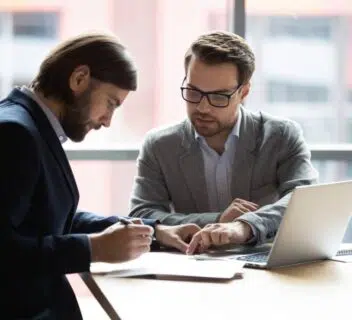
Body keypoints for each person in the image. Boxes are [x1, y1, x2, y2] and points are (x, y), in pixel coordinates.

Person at [0, 33, 200, 319]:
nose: (107, 121)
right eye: (111, 103)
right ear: (79, 79)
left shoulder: (30, 126)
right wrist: (91, 249)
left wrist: (152, 231)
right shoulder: (14, 134)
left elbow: (49, 217)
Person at [129, 30, 318, 254]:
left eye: (219, 96)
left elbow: (305, 201)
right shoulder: (160, 145)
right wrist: (217, 220)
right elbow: (143, 215)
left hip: (265, 266)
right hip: (190, 267)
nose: (202, 107)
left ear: (244, 91)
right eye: (193, 92)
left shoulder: (280, 135)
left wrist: (244, 227)